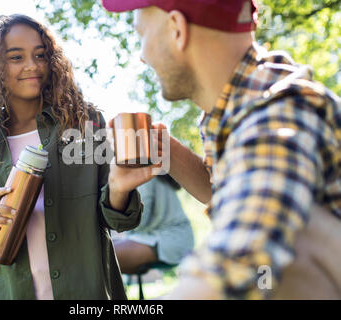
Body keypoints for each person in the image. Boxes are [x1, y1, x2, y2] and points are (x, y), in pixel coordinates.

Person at [102, 0, 341, 299]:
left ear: (177, 30)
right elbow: (242, 196)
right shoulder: (238, 108)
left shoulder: (278, 115)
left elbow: (235, 266)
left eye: (141, 35)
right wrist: (163, 150)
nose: (142, 56)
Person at [0, 14, 154, 300]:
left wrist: (121, 189)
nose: (32, 66)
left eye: (40, 55)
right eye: (16, 57)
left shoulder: (84, 125)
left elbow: (121, 220)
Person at [113, 174, 194, 274]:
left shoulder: (144, 175)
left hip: (169, 239)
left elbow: (138, 222)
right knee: (103, 248)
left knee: (102, 256)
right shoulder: (155, 174)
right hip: (176, 237)